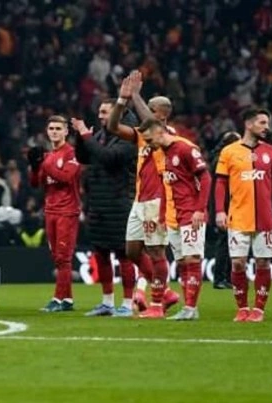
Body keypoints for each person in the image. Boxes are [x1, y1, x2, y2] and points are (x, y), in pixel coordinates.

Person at [106, 72, 178, 318]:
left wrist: (135, 95)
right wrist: (121, 100)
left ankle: (157, 303)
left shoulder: (168, 134)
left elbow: (151, 123)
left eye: (149, 108)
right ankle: (166, 292)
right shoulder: (142, 134)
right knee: (132, 251)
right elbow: (112, 127)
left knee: (156, 251)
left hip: (158, 199)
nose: (142, 110)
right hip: (140, 199)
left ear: (162, 115)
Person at [215, 108, 272, 322]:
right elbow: (220, 183)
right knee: (238, 263)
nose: (267, 127)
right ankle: (242, 308)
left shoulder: (271, 152)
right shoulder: (229, 151)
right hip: (238, 217)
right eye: (262, 123)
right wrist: (220, 211)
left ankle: (258, 309)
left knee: (263, 263)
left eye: (267, 123)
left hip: (265, 219)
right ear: (249, 124)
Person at [72, 101, 138, 317]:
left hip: (119, 202)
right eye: (99, 112)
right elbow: (83, 157)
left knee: (123, 255)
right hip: (98, 203)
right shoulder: (100, 136)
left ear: (117, 114)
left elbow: (108, 157)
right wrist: (80, 137)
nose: (100, 116)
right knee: (101, 254)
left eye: (104, 112)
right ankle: (107, 302)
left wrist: (86, 136)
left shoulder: (129, 138)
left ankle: (127, 303)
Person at [141, 118, 211, 320]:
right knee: (181, 262)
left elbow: (205, 178)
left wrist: (200, 209)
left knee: (192, 259)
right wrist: (163, 214)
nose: (148, 144)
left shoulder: (185, 148)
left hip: (191, 212)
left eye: (149, 139)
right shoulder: (159, 154)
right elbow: (166, 185)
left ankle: (191, 308)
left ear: (159, 132)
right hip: (173, 216)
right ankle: (188, 308)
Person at [28, 116, 81, 312]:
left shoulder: (72, 154)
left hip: (67, 211)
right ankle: (67, 299)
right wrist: (34, 167)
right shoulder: (48, 156)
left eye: (59, 128)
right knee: (57, 257)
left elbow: (66, 177)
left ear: (66, 131)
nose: (54, 132)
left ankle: (57, 299)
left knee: (63, 257)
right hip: (50, 210)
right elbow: (36, 184)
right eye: (51, 128)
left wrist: (45, 164)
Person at [209, 132, 241, 289]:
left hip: (230, 204)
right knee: (224, 241)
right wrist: (219, 210)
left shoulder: (220, 158)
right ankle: (219, 278)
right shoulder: (220, 160)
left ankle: (227, 277)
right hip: (223, 206)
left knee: (231, 242)